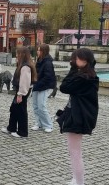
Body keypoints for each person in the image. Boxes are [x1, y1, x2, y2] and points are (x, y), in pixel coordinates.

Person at [58, 48, 98, 185]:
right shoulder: (89, 75)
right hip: (79, 115)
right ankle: (76, 179)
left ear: (86, 60)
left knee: (75, 152)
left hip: (78, 116)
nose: (75, 61)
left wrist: (72, 69)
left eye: (77, 59)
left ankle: (79, 181)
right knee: (74, 150)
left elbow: (64, 87)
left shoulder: (84, 78)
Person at [2, 47, 37, 138]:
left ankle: (22, 132)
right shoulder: (23, 65)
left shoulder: (25, 66)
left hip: (22, 91)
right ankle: (11, 127)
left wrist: (20, 94)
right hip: (21, 91)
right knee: (14, 109)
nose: (16, 55)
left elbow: (24, 82)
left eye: (18, 54)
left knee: (21, 111)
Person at [31, 44, 56, 133]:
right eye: (37, 50)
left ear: (43, 51)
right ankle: (39, 123)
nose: (37, 52)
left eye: (39, 50)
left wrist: (38, 84)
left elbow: (48, 77)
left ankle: (48, 124)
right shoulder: (39, 60)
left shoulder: (48, 62)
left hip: (43, 87)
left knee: (41, 106)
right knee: (36, 106)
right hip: (36, 85)